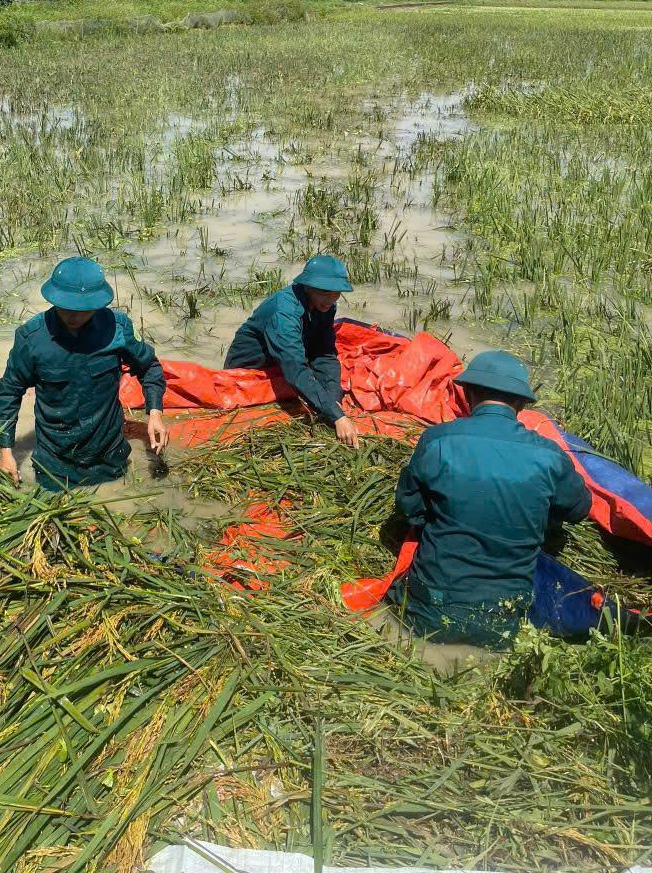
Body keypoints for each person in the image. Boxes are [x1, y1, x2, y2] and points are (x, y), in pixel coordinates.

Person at [387, 350, 592, 649]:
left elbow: (408, 507)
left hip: (428, 612)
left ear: (467, 393)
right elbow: (580, 509)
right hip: (503, 621)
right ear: (521, 404)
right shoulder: (549, 455)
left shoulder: (438, 440)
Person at [0, 256, 169, 490]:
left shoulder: (117, 328)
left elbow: (149, 367)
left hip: (110, 455)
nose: (73, 316)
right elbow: (9, 393)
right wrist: (6, 452)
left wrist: (155, 413)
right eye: (66, 308)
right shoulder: (31, 338)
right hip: (55, 464)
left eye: (83, 310)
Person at [224, 255, 360, 447]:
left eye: (336, 293)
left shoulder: (325, 306)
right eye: (324, 292)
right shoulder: (284, 313)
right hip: (251, 368)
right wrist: (337, 416)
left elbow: (325, 354)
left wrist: (333, 399)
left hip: (286, 360)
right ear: (307, 286)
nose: (330, 300)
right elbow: (295, 368)